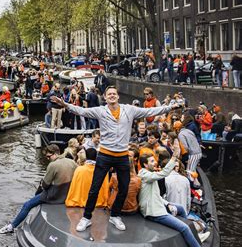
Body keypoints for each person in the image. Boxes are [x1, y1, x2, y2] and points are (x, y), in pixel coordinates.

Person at [51, 85, 181, 231]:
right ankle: (86, 217)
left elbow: (150, 110)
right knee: (95, 187)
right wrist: (65, 104)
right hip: (105, 155)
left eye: (114, 94)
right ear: (105, 98)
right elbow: (81, 110)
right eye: (109, 94)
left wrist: (168, 108)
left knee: (124, 188)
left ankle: (115, 215)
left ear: (118, 97)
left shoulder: (129, 110)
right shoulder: (100, 111)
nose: (112, 96)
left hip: (122, 156)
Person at [138, 143, 229, 247]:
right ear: (145, 165)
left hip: (158, 205)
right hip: (154, 212)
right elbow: (163, 173)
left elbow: (155, 195)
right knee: (184, 227)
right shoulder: (146, 175)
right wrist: (175, 156)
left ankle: (195, 234)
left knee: (180, 208)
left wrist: (168, 203)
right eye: (152, 161)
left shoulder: (149, 174)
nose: (155, 162)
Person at [0, 145, 77, 234]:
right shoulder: (72, 162)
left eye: (48, 156)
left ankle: (11, 226)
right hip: (68, 194)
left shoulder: (53, 165)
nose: (48, 159)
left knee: (27, 205)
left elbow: (45, 185)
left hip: (54, 196)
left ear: (55, 154)